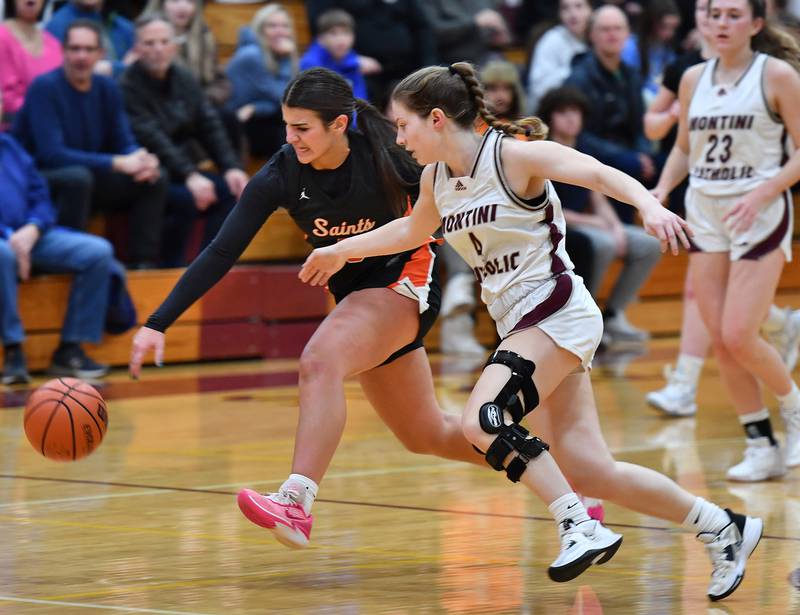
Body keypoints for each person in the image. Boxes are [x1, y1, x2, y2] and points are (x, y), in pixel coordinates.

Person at [299, 62, 762, 601]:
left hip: (556, 309)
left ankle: (577, 524)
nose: (399, 139)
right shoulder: (435, 179)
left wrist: (648, 206)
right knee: (590, 469)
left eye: (404, 125)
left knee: (485, 418)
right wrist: (340, 250)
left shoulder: (513, 156)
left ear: (437, 118)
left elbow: (596, 173)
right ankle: (722, 525)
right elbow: (411, 229)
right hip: (519, 324)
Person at [128, 66, 489, 553]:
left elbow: (462, 174)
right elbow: (221, 251)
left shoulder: (387, 152)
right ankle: (553, 469)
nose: (290, 138)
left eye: (302, 128)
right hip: (357, 299)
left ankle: (296, 501)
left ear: (338, 124)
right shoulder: (282, 173)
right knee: (428, 434)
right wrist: (158, 322)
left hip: (405, 279)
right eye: (286, 126)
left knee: (320, 360)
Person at [652, 0, 800, 481]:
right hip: (706, 212)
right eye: (715, 14)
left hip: (758, 210)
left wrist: (763, 192)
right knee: (719, 336)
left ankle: (794, 408)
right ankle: (760, 444)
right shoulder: (692, 78)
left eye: (734, 15)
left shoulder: (776, 75)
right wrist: (661, 191)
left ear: (755, 24)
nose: (721, 23)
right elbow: (683, 147)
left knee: (739, 333)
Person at [13, 19, 167, 268]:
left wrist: (140, 158)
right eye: (75, 49)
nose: (81, 56)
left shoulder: (108, 87)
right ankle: (67, 261)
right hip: (41, 178)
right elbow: (52, 155)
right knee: (78, 178)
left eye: (88, 49)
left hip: (90, 174)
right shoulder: (44, 88)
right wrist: (117, 162)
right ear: (63, 51)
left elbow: (123, 140)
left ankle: (143, 265)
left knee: (154, 178)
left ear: (101, 54)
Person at [0, 92, 113, 384]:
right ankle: (13, 350)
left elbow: (41, 196)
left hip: (31, 235)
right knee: (3, 254)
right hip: (6, 242)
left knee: (97, 252)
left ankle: (70, 350)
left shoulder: (11, 146)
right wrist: (11, 237)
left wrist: (34, 227)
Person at [120, 14, 247, 267]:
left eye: (164, 42)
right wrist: (190, 175)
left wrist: (231, 167)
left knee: (229, 193)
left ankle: (208, 266)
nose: (158, 49)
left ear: (175, 46)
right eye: (149, 43)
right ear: (136, 49)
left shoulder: (184, 78)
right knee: (185, 199)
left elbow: (208, 123)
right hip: (147, 171)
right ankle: (172, 270)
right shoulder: (126, 85)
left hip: (181, 167)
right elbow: (151, 137)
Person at [539, 85, 662, 346]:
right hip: (559, 226)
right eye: (563, 112)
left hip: (588, 223)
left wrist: (616, 226)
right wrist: (594, 223)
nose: (571, 118)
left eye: (575, 112)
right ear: (550, 116)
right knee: (603, 244)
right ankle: (586, 317)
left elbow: (596, 196)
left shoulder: (584, 147)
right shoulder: (542, 153)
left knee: (648, 244)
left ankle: (614, 314)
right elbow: (545, 208)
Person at [225, 3, 297, 159]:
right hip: (235, 126)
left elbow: (278, 98)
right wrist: (286, 59)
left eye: (285, 26)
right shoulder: (252, 55)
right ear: (260, 29)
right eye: (272, 26)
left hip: (257, 117)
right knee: (292, 124)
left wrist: (256, 107)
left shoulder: (270, 53)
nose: (280, 31)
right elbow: (286, 97)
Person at [0, 0, 62, 130]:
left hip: (52, 127)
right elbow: (8, 99)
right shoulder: (2, 37)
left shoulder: (55, 44)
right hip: (14, 131)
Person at [526, 0, 591, 115]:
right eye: (565, 8)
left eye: (579, 6)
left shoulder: (596, 37)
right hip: (551, 113)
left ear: (591, 10)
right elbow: (538, 90)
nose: (572, 14)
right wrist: (573, 73)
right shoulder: (551, 40)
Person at [45, 0, 135, 76]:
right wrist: (120, 68)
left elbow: (136, 63)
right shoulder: (57, 27)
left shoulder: (124, 27)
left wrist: (114, 68)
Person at [299, 9, 367, 101]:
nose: (341, 39)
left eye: (346, 33)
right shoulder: (310, 64)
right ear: (320, 38)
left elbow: (361, 100)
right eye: (333, 33)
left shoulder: (353, 60)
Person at [621, 0, 682, 102]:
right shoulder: (631, 47)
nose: (669, 33)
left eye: (673, 28)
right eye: (664, 27)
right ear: (651, 23)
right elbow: (627, 84)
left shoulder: (669, 51)